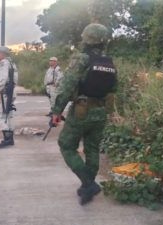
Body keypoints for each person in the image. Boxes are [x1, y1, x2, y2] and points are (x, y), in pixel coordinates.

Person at [51, 23, 117, 205]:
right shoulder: (108, 61)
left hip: (81, 110)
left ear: (87, 38)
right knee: (92, 148)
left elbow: (67, 86)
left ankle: (89, 183)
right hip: (100, 111)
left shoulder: (82, 58)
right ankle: (88, 186)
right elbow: (114, 87)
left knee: (66, 145)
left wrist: (57, 111)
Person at [0, 46, 18, 148]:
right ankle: (10, 139)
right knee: (9, 115)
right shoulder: (12, 63)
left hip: (4, 92)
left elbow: (3, 78)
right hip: (11, 91)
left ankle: (7, 138)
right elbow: (15, 79)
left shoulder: (3, 63)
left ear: (2, 54)